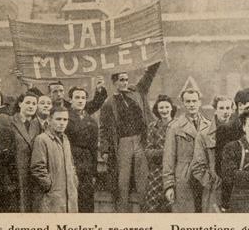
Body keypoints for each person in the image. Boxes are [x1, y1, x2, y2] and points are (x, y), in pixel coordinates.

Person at [99, 67, 156, 212]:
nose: (124, 83)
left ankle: (146, 210)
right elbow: (104, 128)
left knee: (142, 178)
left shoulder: (136, 93)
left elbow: (148, 76)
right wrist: (104, 149)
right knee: (122, 181)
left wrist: (157, 60)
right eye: (121, 80)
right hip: (123, 143)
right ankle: (122, 214)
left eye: (126, 79)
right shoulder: (108, 103)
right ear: (114, 82)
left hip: (140, 141)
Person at [163, 86, 213, 212]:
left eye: (194, 101)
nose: (191, 104)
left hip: (204, 177)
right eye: (188, 101)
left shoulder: (209, 125)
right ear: (183, 104)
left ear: (200, 102)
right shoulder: (175, 127)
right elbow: (168, 158)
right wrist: (169, 185)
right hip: (184, 177)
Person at [29, 103, 79, 212]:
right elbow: (37, 168)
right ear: (50, 119)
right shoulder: (42, 139)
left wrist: (74, 182)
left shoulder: (65, 139)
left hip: (69, 197)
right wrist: (49, 187)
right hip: (52, 198)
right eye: (58, 119)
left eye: (65, 120)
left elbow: (71, 164)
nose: (62, 123)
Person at [65, 87, 99, 213]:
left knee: (86, 199)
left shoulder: (91, 121)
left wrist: (94, 172)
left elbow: (94, 148)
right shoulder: (65, 118)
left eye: (83, 98)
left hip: (87, 164)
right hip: (70, 160)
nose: (80, 101)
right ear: (70, 100)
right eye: (77, 97)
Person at [10, 89, 42, 212]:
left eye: (34, 104)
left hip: (31, 172)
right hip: (16, 172)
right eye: (28, 103)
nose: (31, 106)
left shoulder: (36, 124)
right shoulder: (10, 121)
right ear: (20, 104)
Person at [143, 94, 176, 212]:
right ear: (157, 109)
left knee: (172, 206)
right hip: (157, 172)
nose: (164, 110)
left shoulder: (177, 126)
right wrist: (167, 152)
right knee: (152, 207)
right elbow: (148, 151)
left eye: (167, 107)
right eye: (161, 108)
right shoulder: (153, 127)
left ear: (172, 108)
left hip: (174, 172)